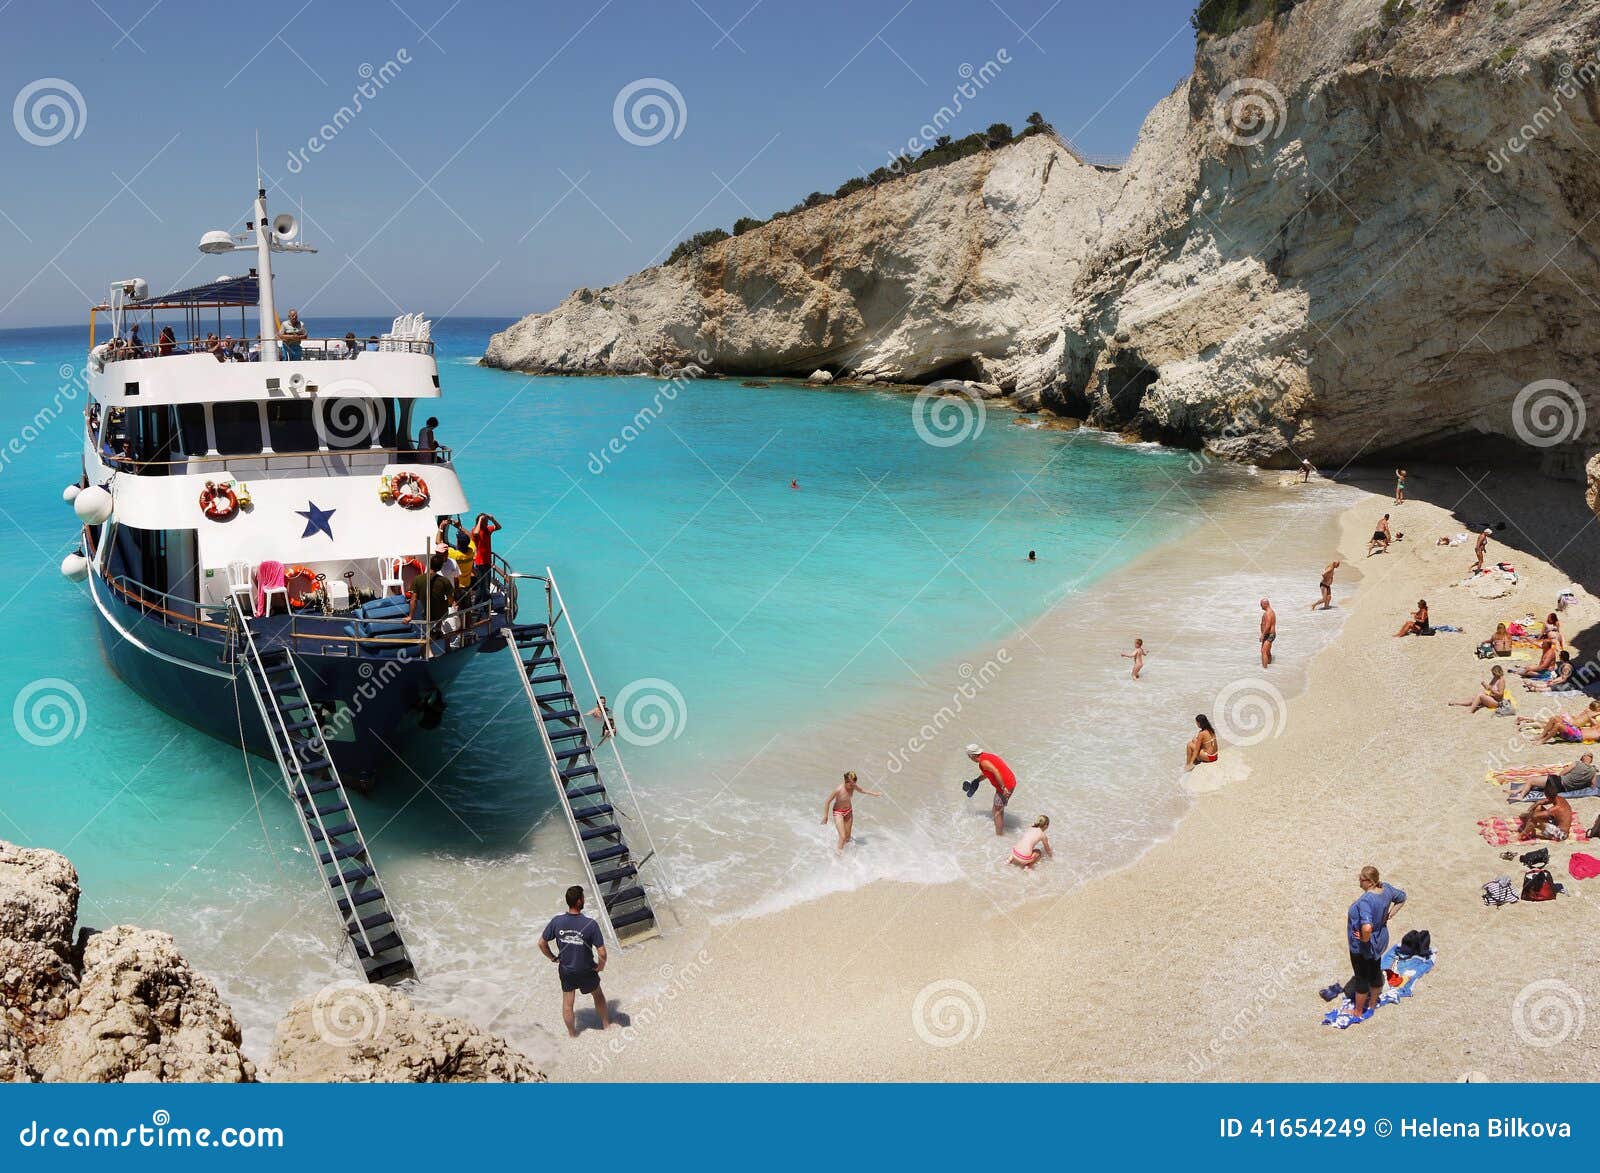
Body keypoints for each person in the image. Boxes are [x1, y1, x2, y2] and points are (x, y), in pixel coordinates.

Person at [538, 885, 609, 1038]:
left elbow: (541, 943)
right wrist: (600, 967)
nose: (584, 899)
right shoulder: (590, 924)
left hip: (566, 970)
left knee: (568, 1004)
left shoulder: (557, 921)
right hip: (586, 969)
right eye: (583, 897)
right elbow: (602, 952)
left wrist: (553, 957)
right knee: (598, 995)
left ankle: (572, 1034)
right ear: (578, 902)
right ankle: (606, 1025)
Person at [1346, 866, 1406, 1019]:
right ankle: (1372, 1004)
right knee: (1375, 971)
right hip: (1380, 939)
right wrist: (1389, 915)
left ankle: (1358, 1011)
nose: (1359, 881)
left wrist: (1364, 940)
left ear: (1370, 882)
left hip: (1363, 947)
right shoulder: (1386, 888)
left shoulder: (1366, 901)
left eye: (1361, 879)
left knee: (1361, 977)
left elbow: (1366, 927)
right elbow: (1402, 897)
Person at [821, 770, 882, 852]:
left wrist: (875, 794)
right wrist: (826, 816)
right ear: (845, 781)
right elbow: (828, 801)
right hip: (838, 812)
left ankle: (847, 854)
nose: (852, 786)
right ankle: (837, 857)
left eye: (854, 783)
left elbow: (862, 790)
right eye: (851, 784)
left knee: (848, 837)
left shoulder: (853, 786)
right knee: (842, 837)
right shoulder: (839, 790)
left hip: (848, 811)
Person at [962, 743, 1016, 836]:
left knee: (996, 811)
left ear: (972, 755)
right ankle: (1001, 830)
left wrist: (1003, 788)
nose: (969, 758)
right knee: (997, 809)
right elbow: (988, 772)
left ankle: (999, 835)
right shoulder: (986, 757)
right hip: (1009, 781)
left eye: (969, 756)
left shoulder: (983, 762)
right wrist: (977, 780)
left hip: (1005, 786)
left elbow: (996, 771)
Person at [406, 551, 456, 642]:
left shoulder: (417, 579)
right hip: (440, 613)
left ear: (429, 564)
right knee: (443, 605)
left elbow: (413, 599)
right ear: (440, 567)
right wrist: (449, 604)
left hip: (425, 612)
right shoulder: (444, 581)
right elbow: (450, 599)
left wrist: (410, 616)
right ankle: (438, 628)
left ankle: (432, 631)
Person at [1508, 753, 1595, 801]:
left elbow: (1562, 773)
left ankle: (1521, 796)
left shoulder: (1577, 763)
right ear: (1591, 760)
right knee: (1539, 781)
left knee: (1531, 780)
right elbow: (1593, 785)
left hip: (1558, 782)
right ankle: (1518, 790)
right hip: (1564, 789)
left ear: (1583, 757)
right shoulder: (1593, 771)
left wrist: (1563, 772)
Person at [1518, 699, 1600, 744]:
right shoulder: (1596, 725)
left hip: (1577, 736)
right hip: (1576, 729)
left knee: (1558, 725)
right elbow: (1591, 719)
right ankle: (1541, 735)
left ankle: (1543, 740)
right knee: (1554, 718)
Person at [470, 512, 501, 604]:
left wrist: (492, 519)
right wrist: (480, 520)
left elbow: (499, 527)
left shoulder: (488, 529)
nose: (487, 523)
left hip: (487, 561)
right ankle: (485, 604)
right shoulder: (475, 530)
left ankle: (478, 604)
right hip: (480, 562)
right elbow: (475, 533)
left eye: (487, 521)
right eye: (486, 521)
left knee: (484, 585)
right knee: (483, 586)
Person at [1259, 598, 1277, 668]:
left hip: (1270, 635)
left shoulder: (1269, 613)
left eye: (1261, 605)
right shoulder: (1268, 612)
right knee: (1267, 651)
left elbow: (1268, 625)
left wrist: (1262, 635)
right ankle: (1270, 666)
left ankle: (1265, 669)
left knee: (1264, 651)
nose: (1261, 606)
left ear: (1265, 604)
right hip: (1267, 634)